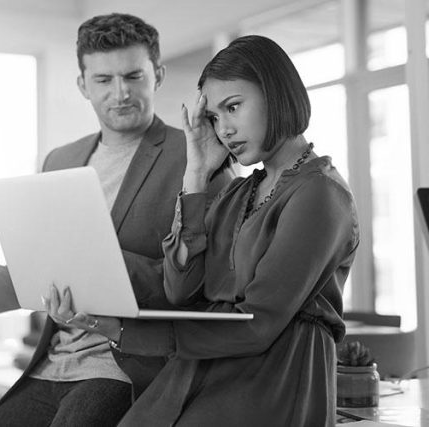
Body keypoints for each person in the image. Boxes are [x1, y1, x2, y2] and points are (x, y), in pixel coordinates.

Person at [0, 13, 234, 427]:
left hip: (127, 364)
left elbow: (207, 284)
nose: (120, 93)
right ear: (83, 85)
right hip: (55, 360)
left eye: (133, 76)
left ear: (157, 75)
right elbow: (44, 269)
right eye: (103, 80)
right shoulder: (60, 161)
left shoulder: (196, 158)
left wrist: (99, 264)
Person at [46, 35, 360, 426]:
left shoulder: (319, 193)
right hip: (205, 366)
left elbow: (257, 323)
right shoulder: (240, 192)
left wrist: (121, 329)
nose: (224, 129)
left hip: (273, 378)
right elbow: (180, 291)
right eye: (214, 117)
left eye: (233, 107)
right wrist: (196, 174)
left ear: (277, 96)